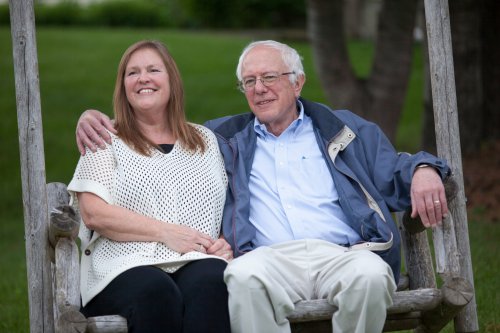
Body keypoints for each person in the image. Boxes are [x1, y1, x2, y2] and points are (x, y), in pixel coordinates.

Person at [76, 40, 450, 333]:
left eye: (270, 77)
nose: (260, 89)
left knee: (369, 277)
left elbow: (393, 167)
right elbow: (154, 132)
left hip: (345, 253)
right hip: (269, 259)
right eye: (250, 81)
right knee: (239, 276)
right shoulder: (226, 138)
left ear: (297, 82)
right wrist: (92, 118)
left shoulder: (342, 129)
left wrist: (424, 168)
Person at [68, 40, 232, 333]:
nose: (143, 78)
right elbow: (93, 213)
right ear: (123, 87)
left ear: (172, 81)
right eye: (132, 73)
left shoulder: (205, 140)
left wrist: (221, 239)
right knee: (156, 291)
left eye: (153, 70)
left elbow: (218, 204)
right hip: (121, 267)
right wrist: (164, 232)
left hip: (194, 259)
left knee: (215, 279)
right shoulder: (104, 138)